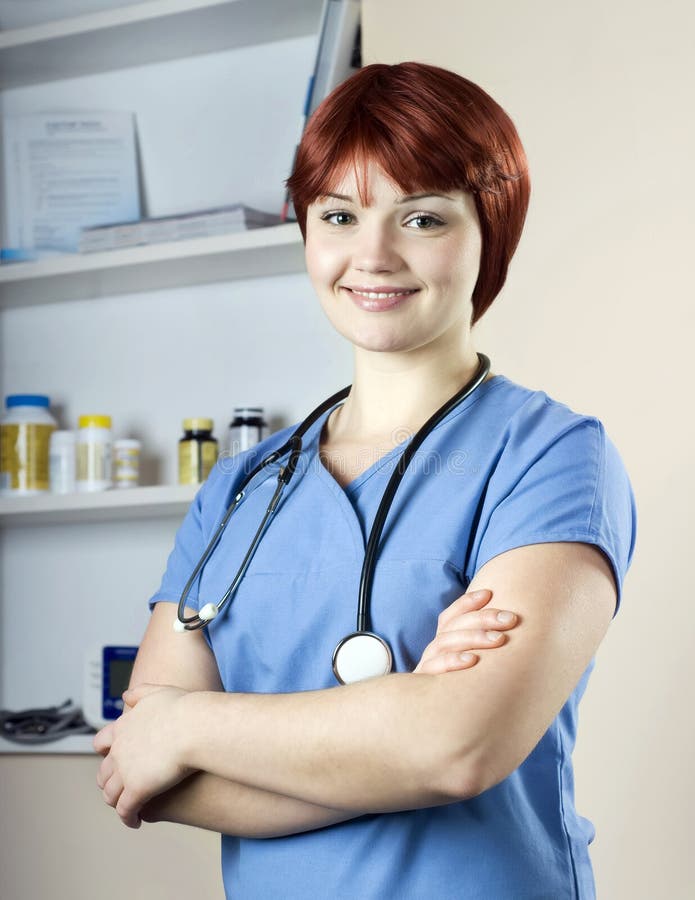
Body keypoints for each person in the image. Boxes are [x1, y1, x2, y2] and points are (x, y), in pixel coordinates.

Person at [94, 62, 637, 899]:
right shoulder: (240, 488)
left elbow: (459, 748)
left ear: (490, 230)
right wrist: (399, 728)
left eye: (422, 217)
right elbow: (146, 773)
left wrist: (189, 723)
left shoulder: (550, 455)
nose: (372, 255)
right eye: (338, 215)